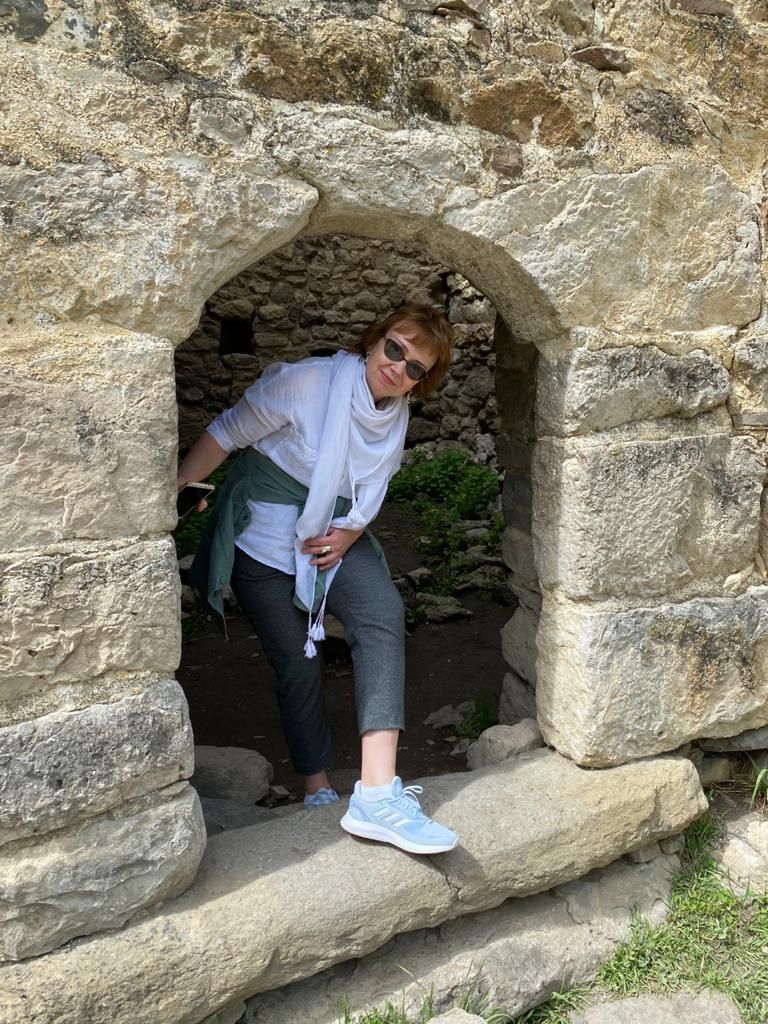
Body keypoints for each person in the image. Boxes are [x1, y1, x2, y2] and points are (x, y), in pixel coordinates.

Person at [178, 303, 459, 855]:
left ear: (420, 383)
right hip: (263, 542)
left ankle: (376, 794)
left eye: (415, 368)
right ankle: (316, 785)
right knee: (297, 662)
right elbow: (227, 432)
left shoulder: (393, 417)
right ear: (374, 340)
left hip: (333, 537)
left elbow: (368, 490)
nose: (397, 367)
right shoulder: (308, 384)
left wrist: (352, 536)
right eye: (395, 349)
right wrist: (179, 490)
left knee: (381, 613)